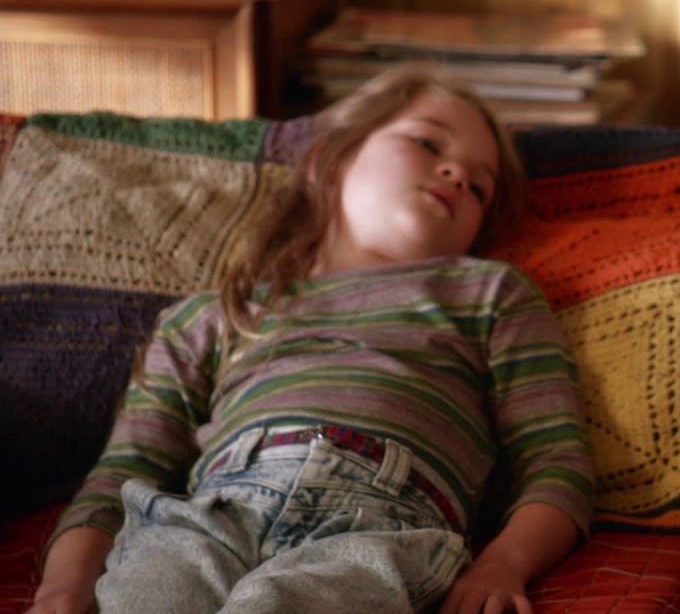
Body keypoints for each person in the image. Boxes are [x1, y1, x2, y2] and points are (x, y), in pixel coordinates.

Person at [27, 64, 594, 614]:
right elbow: (125, 471)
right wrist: (64, 587)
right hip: (208, 520)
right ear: (331, 161)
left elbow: (556, 462)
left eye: (480, 187)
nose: (457, 175)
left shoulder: (491, 292)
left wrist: (503, 563)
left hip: (380, 529)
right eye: (427, 143)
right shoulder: (210, 317)